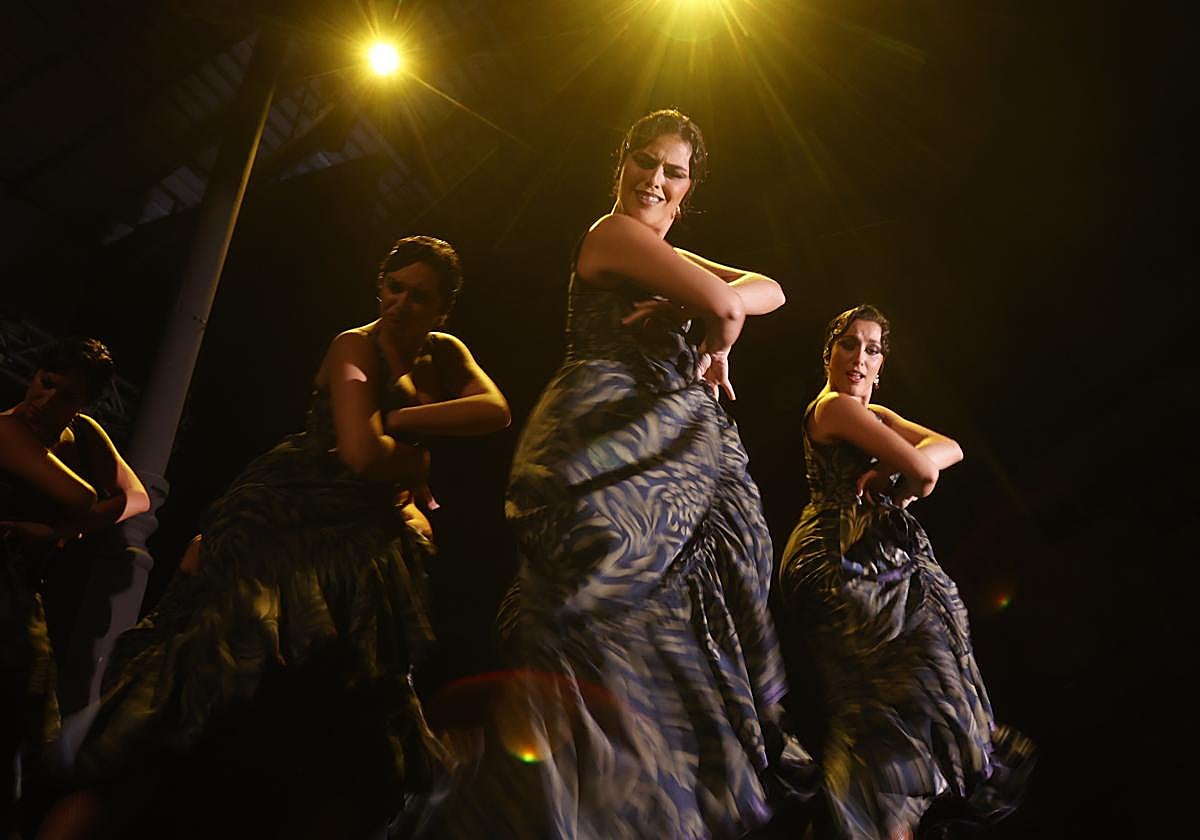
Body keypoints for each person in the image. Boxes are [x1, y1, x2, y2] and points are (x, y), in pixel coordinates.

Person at [49, 236, 510, 838]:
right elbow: (361, 453)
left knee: (340, 716)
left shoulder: (443, 352)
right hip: (289, 517)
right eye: (394, 288)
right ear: (380, 287)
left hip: (363, 539)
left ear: (443, 309)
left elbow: (494, 408)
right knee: (214, 678)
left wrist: (399, 421)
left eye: (420, 297)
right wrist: (409, 454)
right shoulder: (354, 345)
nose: (402, 303)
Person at [435, 109, 805, 839]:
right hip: (612, 438)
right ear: (621, 164)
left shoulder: (663, 252)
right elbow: (730, 304)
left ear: (687, 189)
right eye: (646, 162)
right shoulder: (610, 235)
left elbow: (769, 288)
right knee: (592, 619)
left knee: (664, 637)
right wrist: (715, 336)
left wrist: (701, 314)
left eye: (674, 173)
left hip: (671, 451)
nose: (656, 180)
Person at [777, 305, 1034, 840]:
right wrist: (904, 476)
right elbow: (923, 469)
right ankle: (867, 819)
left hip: (875, 554)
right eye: (849, 344)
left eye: (872, 349)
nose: (859, 356)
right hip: (839, 558)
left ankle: (882, 823)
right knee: (893, 695)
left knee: (897, 712)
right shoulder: (834, 409)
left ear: (880, 366)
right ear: (829, 354)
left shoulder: (872, 413)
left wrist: (886, 468)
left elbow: (949, 448)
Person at [0, 337, 148, 832]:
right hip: (8, 595)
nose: (46, 399)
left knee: (29, 731)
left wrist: (57, 532)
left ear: (83, 404)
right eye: (45, 382)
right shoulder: (8, 430)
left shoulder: (83, 431)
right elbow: (84, 496)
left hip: (23, 591)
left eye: (65, 395)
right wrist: (78, 520)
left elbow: (139, 498)